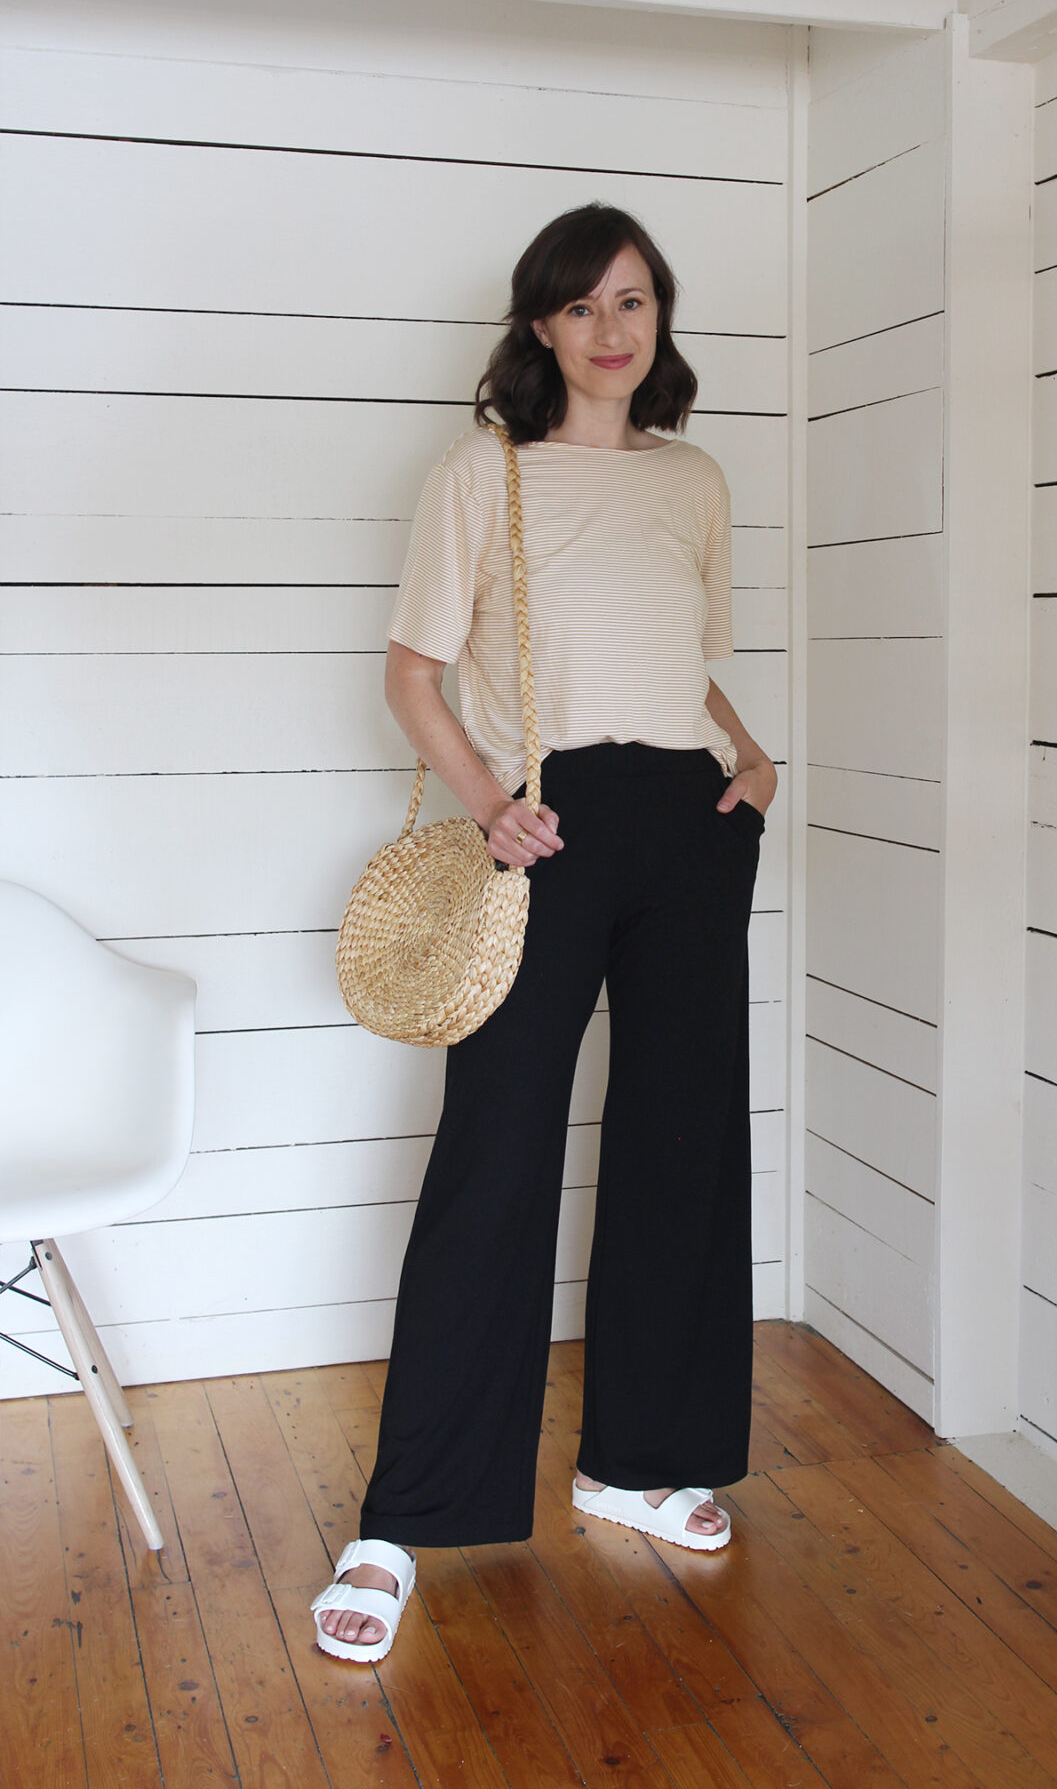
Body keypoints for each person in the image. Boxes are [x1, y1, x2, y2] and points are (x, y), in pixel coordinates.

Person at [311, 201, 777, 1661]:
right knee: (496, 1153)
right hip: (550, 824)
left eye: (632, 302)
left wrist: (750, 764)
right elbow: (411, 674)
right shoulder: (483, 471)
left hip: (690, 827)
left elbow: (676, 661)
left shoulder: (693, 480)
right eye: (580, 308)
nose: (610, 330)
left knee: (681, 1143)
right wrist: (493, 805)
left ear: (659, 317)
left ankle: (634, 1461)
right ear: (538, 327)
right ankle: (406, 1516)